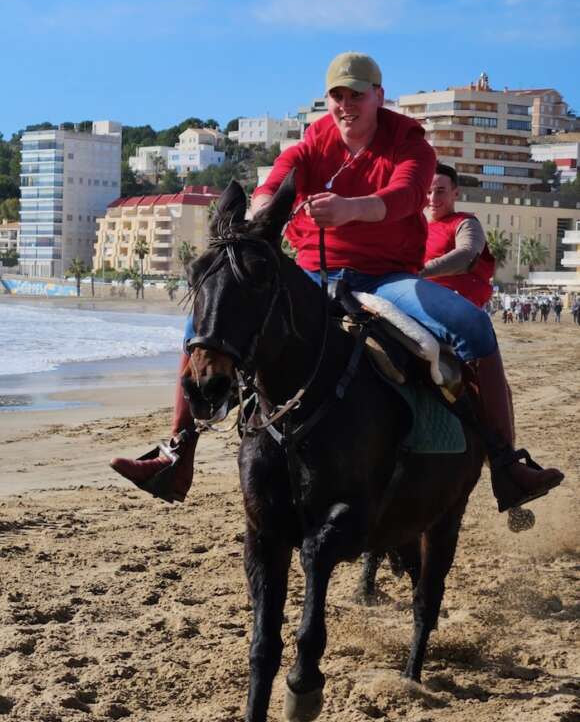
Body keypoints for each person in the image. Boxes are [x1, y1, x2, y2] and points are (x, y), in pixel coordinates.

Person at [111, 51, 563, 514]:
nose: (346, 105)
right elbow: (279, 179)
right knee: (204, 326)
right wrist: (261, 210)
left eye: (356, 95)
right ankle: (177, 454)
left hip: (388, 279)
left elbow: (405, 195)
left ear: (378, 96)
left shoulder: (411, 145)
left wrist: (350, 209)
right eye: (337, 96)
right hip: (311, 274)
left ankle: (508, 467)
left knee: (474, 329)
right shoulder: (315, 141)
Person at [421, 163, 494, 308]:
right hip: (419, 300)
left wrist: (418, 272)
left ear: (455, 193)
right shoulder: (416, 226)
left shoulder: (466, 223)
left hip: (457, 306)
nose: (433, 198)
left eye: (440, 191)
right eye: (428, 192)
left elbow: (468, 255)